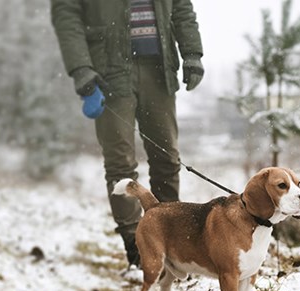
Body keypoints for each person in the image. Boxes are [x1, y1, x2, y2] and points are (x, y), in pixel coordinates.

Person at [50, 0, 204, 268]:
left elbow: (181, 7)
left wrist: (192, 53)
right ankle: (137, 250)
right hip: (108, 70)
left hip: (159, 68)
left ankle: (170, 244)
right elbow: (67, 14)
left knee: (167, 160)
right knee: (120, 165)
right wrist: (81, 68)